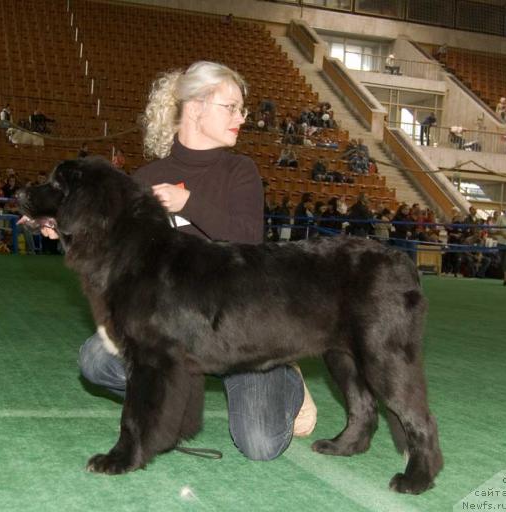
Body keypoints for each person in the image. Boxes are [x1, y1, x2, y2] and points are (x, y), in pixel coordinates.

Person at [52, 61, 317, 460]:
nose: (242, 118)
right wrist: (63, 234)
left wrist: (188, 203)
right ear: (195, 107)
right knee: (94, 359)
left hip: (240, 332)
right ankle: (176, 390)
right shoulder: (144, 178)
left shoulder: (240, 171)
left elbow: (249, 244)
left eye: (241, 109)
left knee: (260, 444)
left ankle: (289, 377)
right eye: (232, 107)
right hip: (175, 336)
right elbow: (110, 264)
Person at [492, 206, 506, 285]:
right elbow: (494, 231)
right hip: (501, 242)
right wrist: (502, 233)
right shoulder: (501, 218)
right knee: (501, 261)